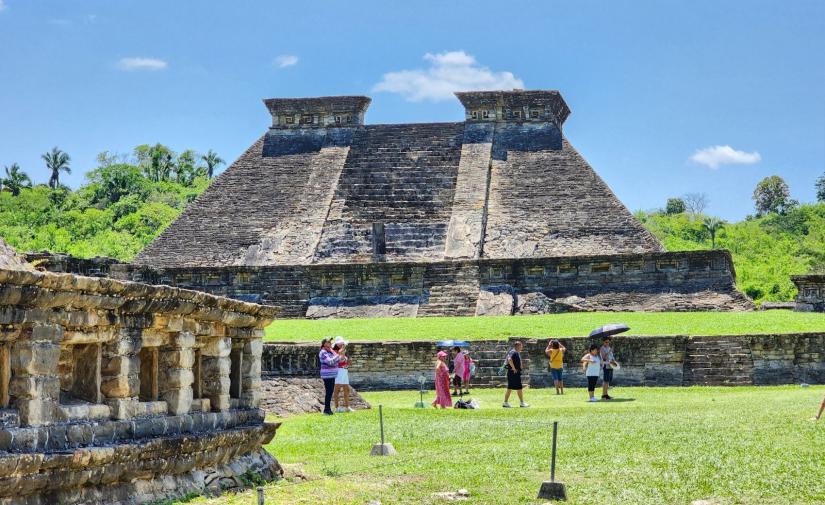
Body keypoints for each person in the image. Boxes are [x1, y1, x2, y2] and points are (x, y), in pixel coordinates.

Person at [319, 338, 342, 415]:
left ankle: (328, 409)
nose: (330, 343)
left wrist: (337, 354)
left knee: (330, 392)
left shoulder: (330, 351)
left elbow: (340, 360)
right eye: (329, 342)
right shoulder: (323, 352)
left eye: (330, 342)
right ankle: (326, 410)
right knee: (329, 392)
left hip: (332, 375)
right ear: (324, 344)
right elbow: (330, 362)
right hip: (327, 376)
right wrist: (338, 355)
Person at [503, 341, 529, 408]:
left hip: (513, 373)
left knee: (512, 387)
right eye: (521, 346)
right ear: (518, 346)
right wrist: (514, 368)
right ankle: (521, 403)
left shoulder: (516, 352)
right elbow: (509, 359)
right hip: (513, 373)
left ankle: (506, 402)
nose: (522, 347)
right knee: (517, 387)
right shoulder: (513, 352)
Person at [332, 336, 352, 413]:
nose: (341, 344)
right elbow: (339, 361)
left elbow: (346, 362)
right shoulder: (334, 351)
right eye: (339, 343)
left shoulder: (344, 351)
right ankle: (337, 407)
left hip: (344, 370)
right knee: (337, 389)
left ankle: (347, 406)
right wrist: (342, 354)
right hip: (338, 371)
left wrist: (348, 361)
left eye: (342, 343)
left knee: (346, 389)